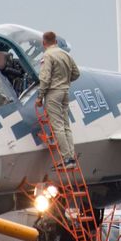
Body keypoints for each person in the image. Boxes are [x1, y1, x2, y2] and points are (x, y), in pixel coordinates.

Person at [34, 31, 81, 165]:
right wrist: (65, 81)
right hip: (65, 92)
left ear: (44, 43)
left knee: (57, 126)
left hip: (53, 94)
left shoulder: (47, 56)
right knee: (66, 126)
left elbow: (45, 78)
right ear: (55, 41)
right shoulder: (65, 54)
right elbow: (76, 74)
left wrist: (39, 97)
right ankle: (71, 156)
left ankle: (67, 158)